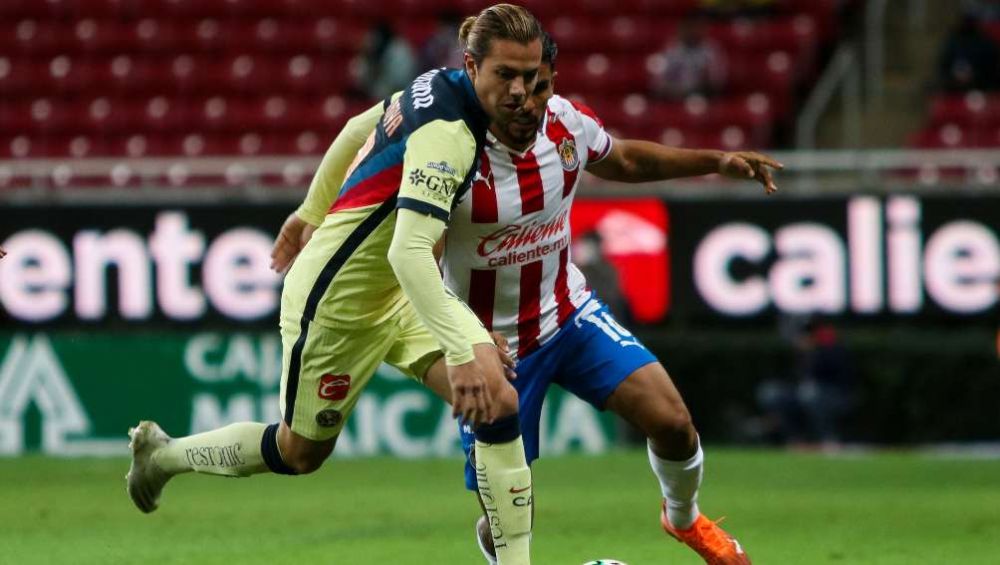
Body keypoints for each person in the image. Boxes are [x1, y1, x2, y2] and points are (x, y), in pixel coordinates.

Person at [274, 32, 782, 565]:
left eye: (537, 85)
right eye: (511, 84)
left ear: (549, 82)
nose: (526, 99)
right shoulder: (454, 155)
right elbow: (419, 259)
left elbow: (626, 160)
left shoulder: (566, 123)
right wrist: (464, 340)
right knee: (509, 518)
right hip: (500, 349)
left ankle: (686, 521)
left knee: (674, 423)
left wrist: (715, 161)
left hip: (569, 313)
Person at [128, 5, 543, 564]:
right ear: (472, 65)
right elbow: (410, 249)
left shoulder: (436, 86)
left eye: (530, 76)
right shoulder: (450, 132)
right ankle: (164, 456)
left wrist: (310, 211)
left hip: (398, 293)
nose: (519, 91)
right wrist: (461, 345)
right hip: (335, 304)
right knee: (301, 452)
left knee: (497, 400)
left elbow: (355, 131)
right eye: (505, 75)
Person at [652, 16, 727, 100]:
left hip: (702, 97)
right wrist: (675, 91)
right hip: (673, 98)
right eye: (688, 27)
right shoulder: (670, 49)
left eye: (695, 27)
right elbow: (658, 82)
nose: (692, 31)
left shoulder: (711, 50)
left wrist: (703, 84)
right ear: (681, 29)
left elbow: (717, 82)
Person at [354, 22, 418, 100]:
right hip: (373, 97)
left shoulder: (399, 50)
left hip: (401, 97)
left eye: (374, 38)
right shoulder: (368, 53)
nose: (371, 41)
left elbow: (400, 81)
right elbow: (359, 80)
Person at [937, 15, 1000, 92]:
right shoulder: (953, 42)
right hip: (954, 86)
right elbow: (943, 65)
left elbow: (992, 68)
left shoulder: (986, 44)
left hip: (981, 86)